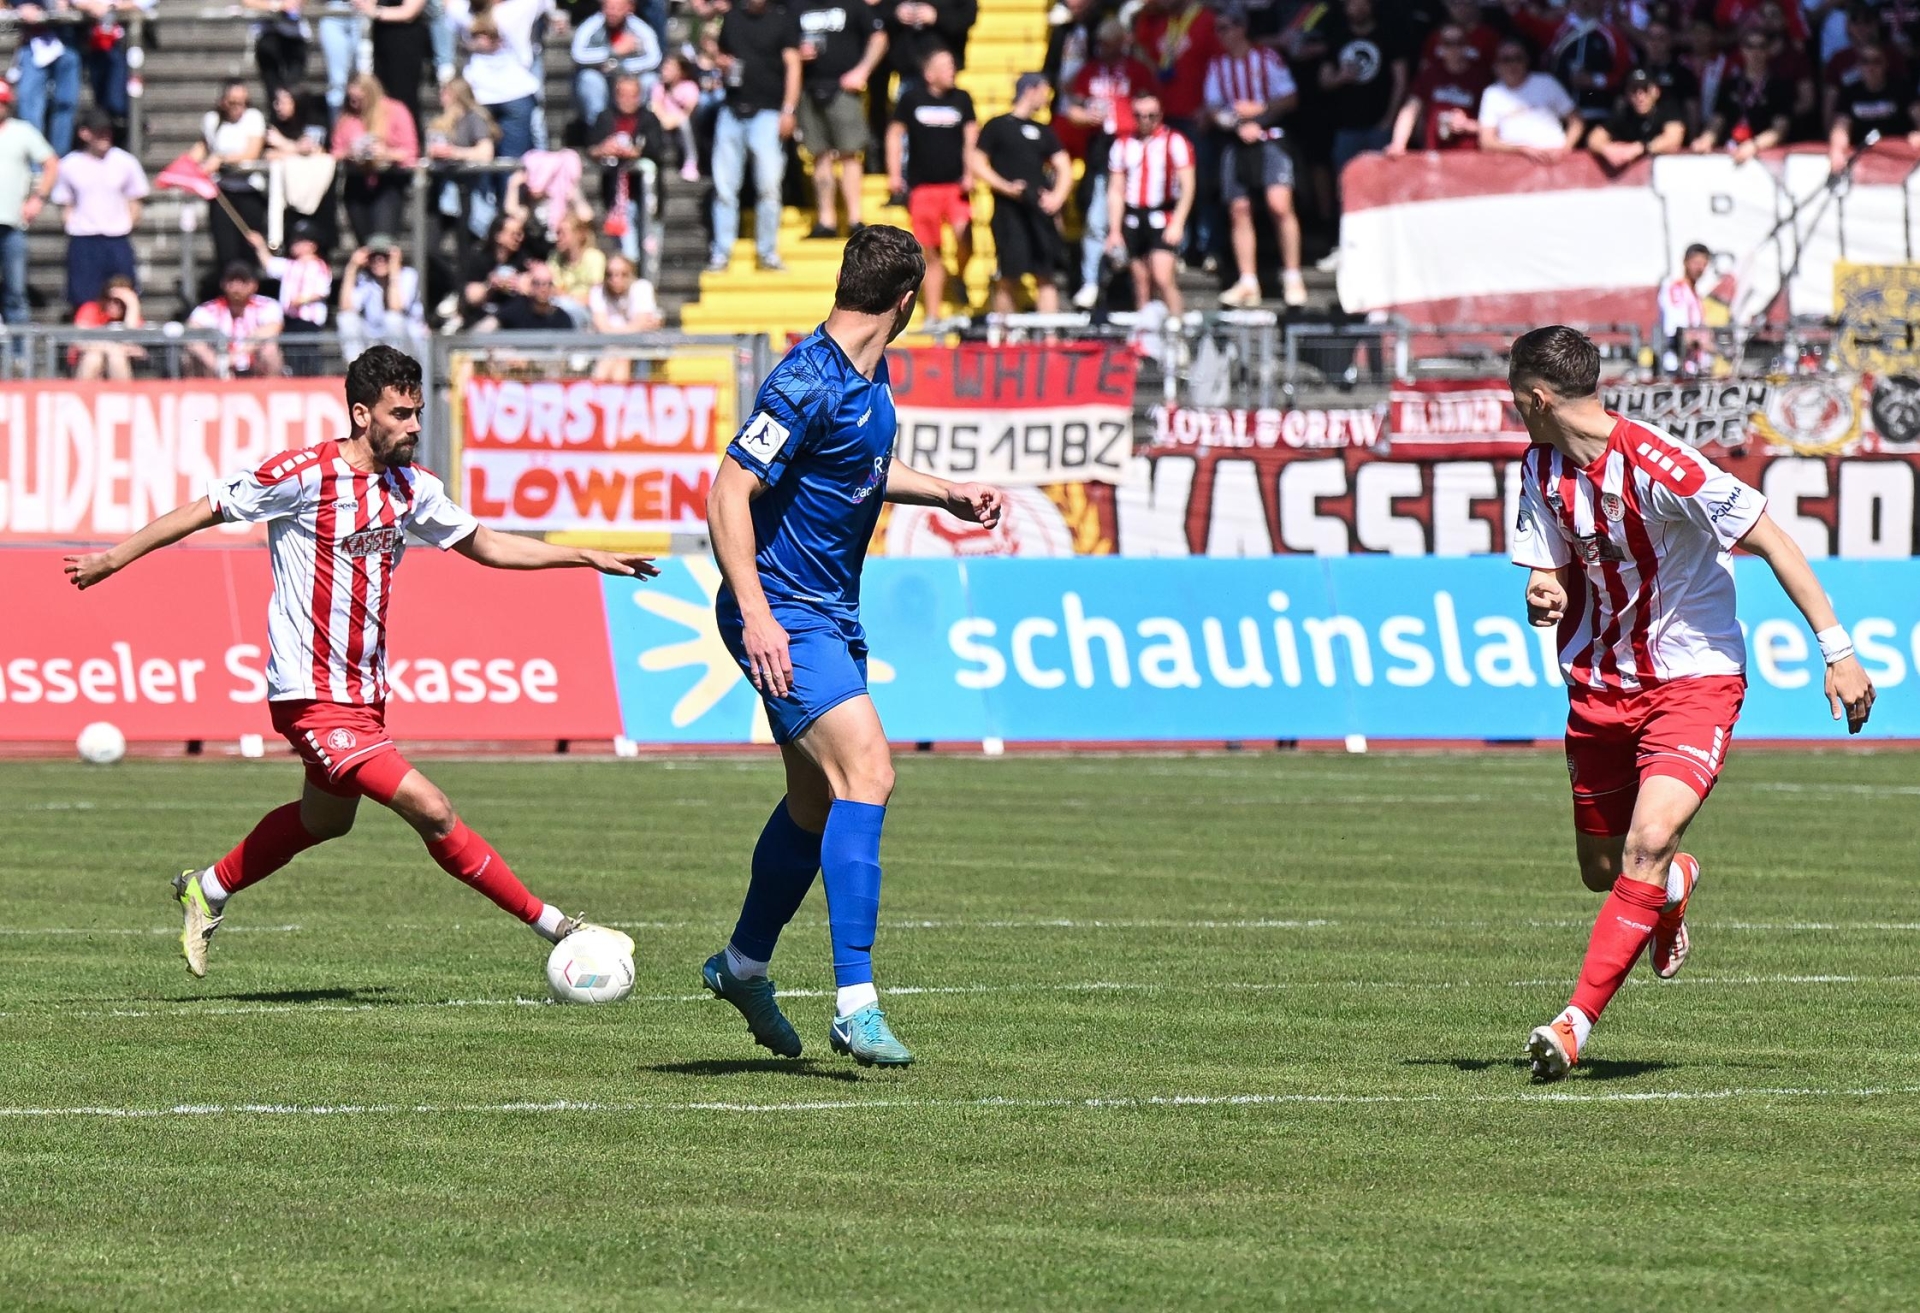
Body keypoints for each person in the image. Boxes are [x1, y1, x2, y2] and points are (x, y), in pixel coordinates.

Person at [62, 347, 657, 980]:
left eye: (417, 413)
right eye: (400, 414)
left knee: (325, 820)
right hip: (309, 694)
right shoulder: (301, 474)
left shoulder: (412, 487)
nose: (414, 426)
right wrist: (111, 558)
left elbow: (485, 544)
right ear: (360, 414)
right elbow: (203, 508)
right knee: (432, 809)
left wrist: (586, 556)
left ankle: (206, 888)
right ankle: (558, 926)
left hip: (365, 695)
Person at [1506, 324, 1874, 1081]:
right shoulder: (1540, 467)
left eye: (1513, 395)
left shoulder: (1659, 463)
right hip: (1598, 685)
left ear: (1536, 397)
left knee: (1647, 842)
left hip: (1692, 681)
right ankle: (1671, 888)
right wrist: (1544, 589)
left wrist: (1838, 650)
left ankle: (1573, 1024)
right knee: (1605, 870)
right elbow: (1549, 567)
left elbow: (1771, 538)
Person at [701, 225, 1004, 1067]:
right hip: (783, 610)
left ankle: (742, 964)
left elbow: (858, 468)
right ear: (906, 301)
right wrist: (758, 614)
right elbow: (728, 491)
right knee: (868, 771)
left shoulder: (871, 377)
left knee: (814, 803)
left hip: (831, 613)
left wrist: (944, 492)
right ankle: (856, 1002)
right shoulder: (805, 379)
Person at [1203, 9, 1304, 308]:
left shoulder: (1267, 57)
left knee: (1279, 204)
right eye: (1217, 29)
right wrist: (1235, 123)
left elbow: (1289, 97)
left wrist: (1259, 113)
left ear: (1241, 28)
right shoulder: (1218, 64)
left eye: (1225, 28)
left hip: (1271, 136)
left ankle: (1293, 275)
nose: (1221, 35)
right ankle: (1248, 281)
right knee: (1239, 208)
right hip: (1236, 139)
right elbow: (1213, 107)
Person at [1058, 17, 1152, 310]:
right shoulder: (1090, 71)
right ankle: (1090, 280)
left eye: (1108, 43)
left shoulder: (1136, 70)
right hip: (1102, 148)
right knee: (1097, 217)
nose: (1102, 48)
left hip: (1134, 147)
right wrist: (1086, 117)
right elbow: (1071, 108)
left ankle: (1136, 281)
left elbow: (1152, 104)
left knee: (1137, 215)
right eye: (1100, 43)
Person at [710, 0, 801, 273]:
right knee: (724, 188)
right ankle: (721, 252)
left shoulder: (782, 19)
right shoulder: (732, 18)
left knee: (769, 186)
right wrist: (721, 62)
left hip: (769, 112)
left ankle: (767, 252)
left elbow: (793, 65)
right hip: (732, 110)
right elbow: (722, 54)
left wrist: (789, 109)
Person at [970, 72, 1069, 314]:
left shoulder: (1043, 130)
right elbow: (977, 162)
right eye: (1044, 91)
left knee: (1045, 274)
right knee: (1008, 274)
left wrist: (1057, 197)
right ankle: (1007, 333)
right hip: (1008, 210)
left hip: (1038, 209)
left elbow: (1063, 165)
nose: (1046, 98)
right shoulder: (998, 126)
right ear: (1030, 90)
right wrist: (1005, 187)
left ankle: (1049, 333)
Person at [887, 46, 975, 319]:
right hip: (923, 187)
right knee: (931, 252)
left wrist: (970, 172)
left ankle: (959, 275)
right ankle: (933, 315)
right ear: (929, 73)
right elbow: (894, 133)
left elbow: (971, 136)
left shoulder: (962, 98)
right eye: (946, 66)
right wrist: (894, 174)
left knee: (964, 235)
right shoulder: (911, 99)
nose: (952, 71)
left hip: (955, 186)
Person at [1105, 89, 1194, 315]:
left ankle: (1176, 326)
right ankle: (1144, 331)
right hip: (1134, 217)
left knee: (1162, 277)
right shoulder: (1122, 144)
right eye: (1139, 116)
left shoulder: (1175, 141)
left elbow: (1188, 187)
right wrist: (1114, 230)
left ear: (1161, 114)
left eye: (1151, 116)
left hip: (1163, 215)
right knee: (1140, 283)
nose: (1145, 121)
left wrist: (1178, 223)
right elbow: (1115, 190)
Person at [53, 108, 145, 313]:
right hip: (84, 239)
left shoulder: (125, 162)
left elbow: (135, 199)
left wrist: (128, 225)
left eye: (107, 131)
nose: (105, 136)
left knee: (124, 296)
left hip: (116, 239)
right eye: (99, 131)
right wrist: (72, 224)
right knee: (84, 299)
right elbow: (65, 202)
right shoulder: (69, 164)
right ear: (84, 133)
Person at [195, 81, 269, 281]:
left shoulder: (253, 118)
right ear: (223, 102)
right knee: (225, 250)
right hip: (222, 193)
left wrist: (221, 160)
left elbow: (252, 153)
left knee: (249, 249)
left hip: (249, 192)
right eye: (233, 102)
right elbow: (202, 148)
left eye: (243, 102)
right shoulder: (211, 120)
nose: (238, 107)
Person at [333, 74, 420, 242]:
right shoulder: (347, 117)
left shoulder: (395, 111)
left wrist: (386, 153)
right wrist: (349, 153)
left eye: (359, 99)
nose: (355, 104)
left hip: (388, 182)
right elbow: (335, 152)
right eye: (351, 100)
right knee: (364, 243)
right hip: (356, 183)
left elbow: (410, 152)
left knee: (381, 243)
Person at [588, 72, 664, 263]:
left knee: (649, 247)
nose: (627, 100)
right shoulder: (605, 117)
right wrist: (604, 148)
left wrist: (635, 152)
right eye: (622, 94)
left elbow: (656, 148)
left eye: (632, 95)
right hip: (617, 195)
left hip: (644, 193)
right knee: (626, 252)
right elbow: (591, 148)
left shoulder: (649, 118)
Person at [0, 83, 57, 329]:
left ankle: (19, 349)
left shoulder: (22, 131)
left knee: (15, 292)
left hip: (12, 223)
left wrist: (38, 198)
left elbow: (51, 163)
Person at [1691, 28, 1795, 163]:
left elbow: (1780, 129)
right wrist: (1707, 139)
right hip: (1729, 152)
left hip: (1764, 155)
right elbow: (1718, 119)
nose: (1755, 52)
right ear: (1742, 50)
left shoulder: (1780, 86)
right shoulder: (1730, 84)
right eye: (1750, 46)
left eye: (1761, 46)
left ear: (1768, 51)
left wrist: (1753, 145)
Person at [1388, 22, 1488, 155]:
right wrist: (1398, 144)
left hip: (1468, 155)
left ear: (1467, 45)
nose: (1454, 48)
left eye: (1459, 42)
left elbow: (1496, 126)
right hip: (1434, 152)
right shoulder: (1430, 74)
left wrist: (1467, 125)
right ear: (1440, 46)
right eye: (1448, 43)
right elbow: (1411, 109)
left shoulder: (1480, 78)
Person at [247, 219, 332, 374]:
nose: (295, 244)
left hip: (308, 320)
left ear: (312, 245)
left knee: (308, 353)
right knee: (293, 354)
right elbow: (269, 264)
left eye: (300, 241)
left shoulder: (319, 266)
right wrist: (260, 246)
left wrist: (301, 300)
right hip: (290, 318)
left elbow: (322, 290)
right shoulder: (289, 265)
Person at [1478, 41, 1580, 161]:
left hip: (1553, 157)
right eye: (1506, 59)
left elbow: (1576, 122)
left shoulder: (1547, 83)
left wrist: (1565, 149)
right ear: (1497, 64)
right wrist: (1522, 150)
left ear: (1527, 60)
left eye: (1518, 58)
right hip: (1512, 160)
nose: (1513, 64)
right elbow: (1486, 141)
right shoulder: (1492, 93)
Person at [1828, 44, 1920, 172]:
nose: (1871, 67)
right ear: (1858, 65)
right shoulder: (1849, 93)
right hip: (1862, 157)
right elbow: (1841, 127)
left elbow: (1917, 115)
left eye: (1876, 61)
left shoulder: (1902, 88)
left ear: (1885, 64)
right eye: (1865, 62)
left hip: (1899, 156)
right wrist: (1837, 151)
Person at [463, 16, 544, 161]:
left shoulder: (514, 40)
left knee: (513, 159)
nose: (480, 40)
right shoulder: (473, 57)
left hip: (516, 98)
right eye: (476, 36)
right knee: (483, 159)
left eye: (486, 36)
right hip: (482, 103)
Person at [572, 0, 664, 128]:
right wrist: (613, 51)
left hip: (630, 76)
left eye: (618, 8)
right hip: (603, 78)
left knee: (650, 80)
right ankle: (599, 129)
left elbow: (654, 59)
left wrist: (619, 67)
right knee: (589, 79)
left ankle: (641, 126)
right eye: (609, 8)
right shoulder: (591, 25)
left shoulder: (640, 28)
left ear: (629, 8)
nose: (613, 12)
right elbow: (578, 54)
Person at [187, 262, 285, 378]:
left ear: (254, 285)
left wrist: (237, 355)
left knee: (270, 348)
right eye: (231, 281)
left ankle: (271, 386)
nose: (236, 287)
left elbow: (273, 328)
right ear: (223, 284)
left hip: (255, 362)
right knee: (194, 344)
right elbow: (192, 329)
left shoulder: (268, 305)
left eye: (243, 281)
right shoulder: (207, 309)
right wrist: (218, 363)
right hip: (217, 365)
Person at [338, 233, 426, 358]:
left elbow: (396, 307)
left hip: (407, 341)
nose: (378, 261)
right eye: (373, 256)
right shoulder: (365, 278)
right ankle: (354, 365)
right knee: (346, 318)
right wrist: (352, 268)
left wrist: (394, 271)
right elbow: (346, 307)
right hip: (374, 337)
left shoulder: (408, 275)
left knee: (393, 319)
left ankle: (395, 365)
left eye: (384, 256)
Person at [1587, 69, 1688, 169]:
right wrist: (1607, 149)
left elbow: (1673, 138)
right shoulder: (1624, 113)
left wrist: (1641, 148)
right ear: (1627, 94)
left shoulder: (1667, 107)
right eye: (1634, 90)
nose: (1640, 96)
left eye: (1645, 89)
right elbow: (1594, 137)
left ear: (1656, 91)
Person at [359, 0, 431, 128]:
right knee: (382, 95)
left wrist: (376, 12)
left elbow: (409, 12)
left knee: (403, 96)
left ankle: (408, 136)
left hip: (405, 39)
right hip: (382, 38)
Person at [1658, 240, 1715, 376]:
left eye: (1704, 264)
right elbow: (1678, 330)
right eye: (1696, 263)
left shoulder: (1695, 294)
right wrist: (1704, 343)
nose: (1700, 268)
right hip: (1678, 366)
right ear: (1686, 262)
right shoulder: (1676, 289)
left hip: (1694, 367)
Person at [70, 274, 145, 378]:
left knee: (116, 357)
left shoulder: (131, 315)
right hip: (86, 361)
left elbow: (132, 342)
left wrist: (132, 304)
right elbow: (80, 340)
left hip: (121, 363)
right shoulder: (90, 309)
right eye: (109, 299)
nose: (113, 304)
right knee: (93, 358)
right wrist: (111, 347)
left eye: (120, 302)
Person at [244, 0, 313, 100]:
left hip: (294, 35)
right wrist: (277, 6)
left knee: (293, 89)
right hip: (267, 35)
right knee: (273, 90)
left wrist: (292, 3)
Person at [653, 53, 704, 180]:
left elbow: (688, 111)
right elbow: (656, 107)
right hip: (663, 123)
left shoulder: (689, 87)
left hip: (682, 126)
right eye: (664, 68)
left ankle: (691, 162)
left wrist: (674, 120)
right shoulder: (658, 87)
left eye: (670, 68)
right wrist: (665, 119)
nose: (665, 71)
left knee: (685, 122)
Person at [495, 259, 572, 328]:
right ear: (530, 286)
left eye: (548, 284)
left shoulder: (562, 318)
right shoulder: (516, 310)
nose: (543, 289)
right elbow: (492, 323)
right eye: (538, 283)